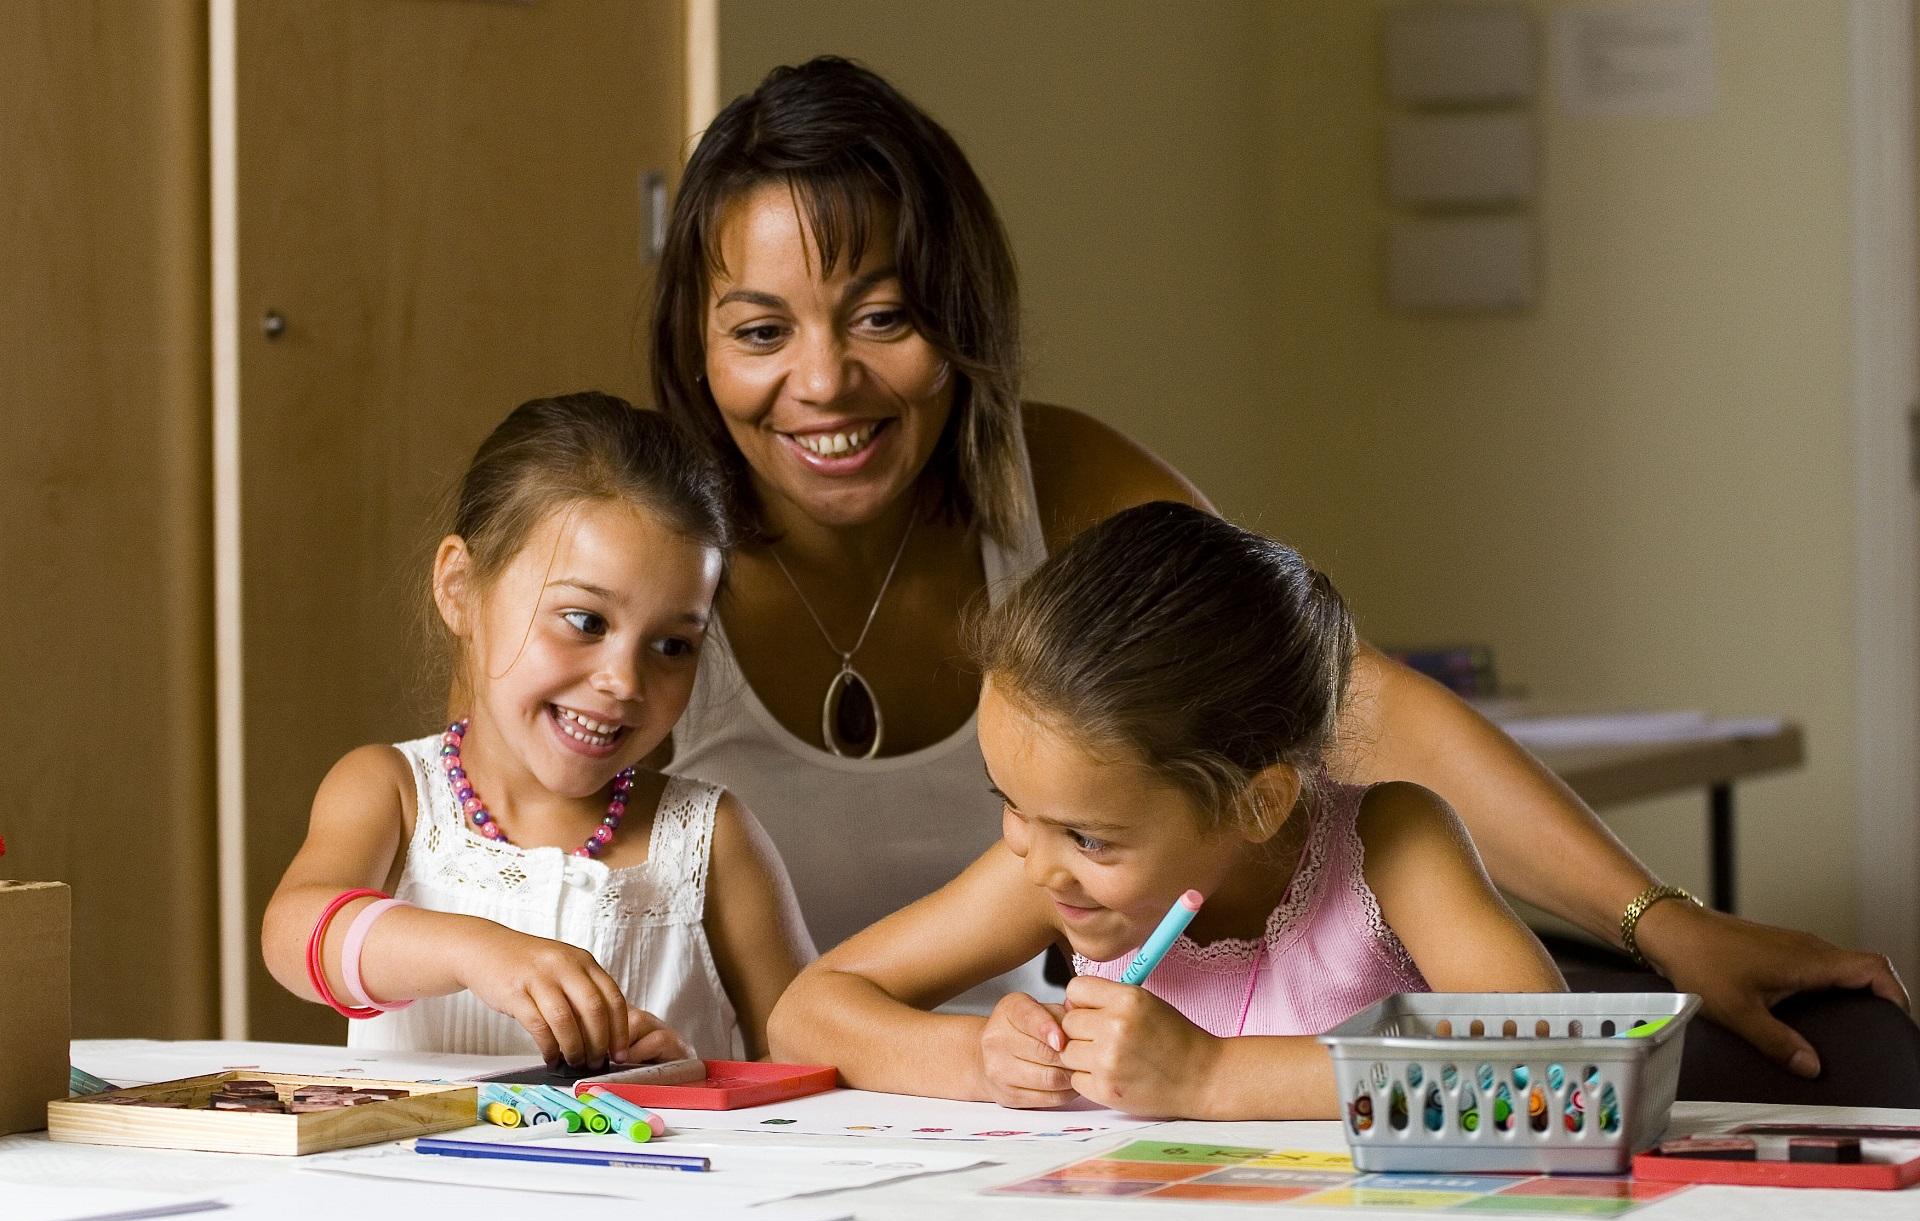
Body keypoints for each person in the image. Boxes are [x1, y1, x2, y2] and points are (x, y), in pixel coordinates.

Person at [655, 56, 1905, 1068]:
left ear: (959, 314)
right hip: (807, 1117)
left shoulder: (1060, 484)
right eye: (761, 331)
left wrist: (1662, 921)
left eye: (884, 315)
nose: (823, 381)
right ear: (696, 346)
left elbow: (1345, 706)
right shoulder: (648, 557)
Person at [770, 503, 1566, 1117]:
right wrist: (980, 1056)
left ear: (1258, 802)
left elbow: (1550, 1057)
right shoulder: (1050, 872)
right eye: (1010, 805)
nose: (1040, 859)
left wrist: (1210, 1076)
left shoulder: (1389, 844)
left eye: (1090, 837)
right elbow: (806, 1014)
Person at [262, 393, 813, 1065]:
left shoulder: (711, 839)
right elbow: (294, 935)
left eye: (672, 645)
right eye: (586, 621)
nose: (624, 681)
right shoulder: (393, 793)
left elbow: (806, 1063)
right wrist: (474, 950)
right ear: (460, 587)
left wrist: (694, 1079)